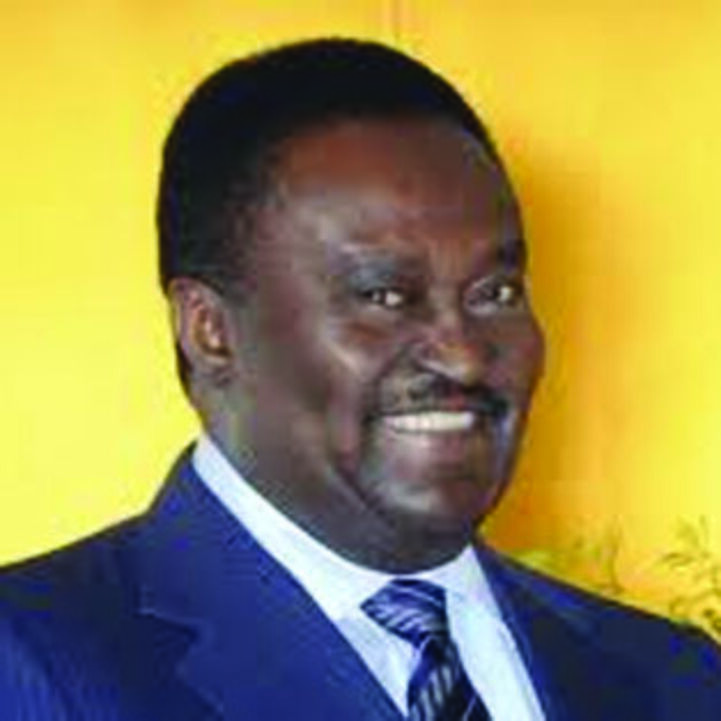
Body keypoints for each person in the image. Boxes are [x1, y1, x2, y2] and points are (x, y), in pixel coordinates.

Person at [0, 38, 719, 721]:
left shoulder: (671, 676)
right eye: (385, 296)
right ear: (210, 330)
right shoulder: (32, 663)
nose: (465, 357)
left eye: (495, 292)